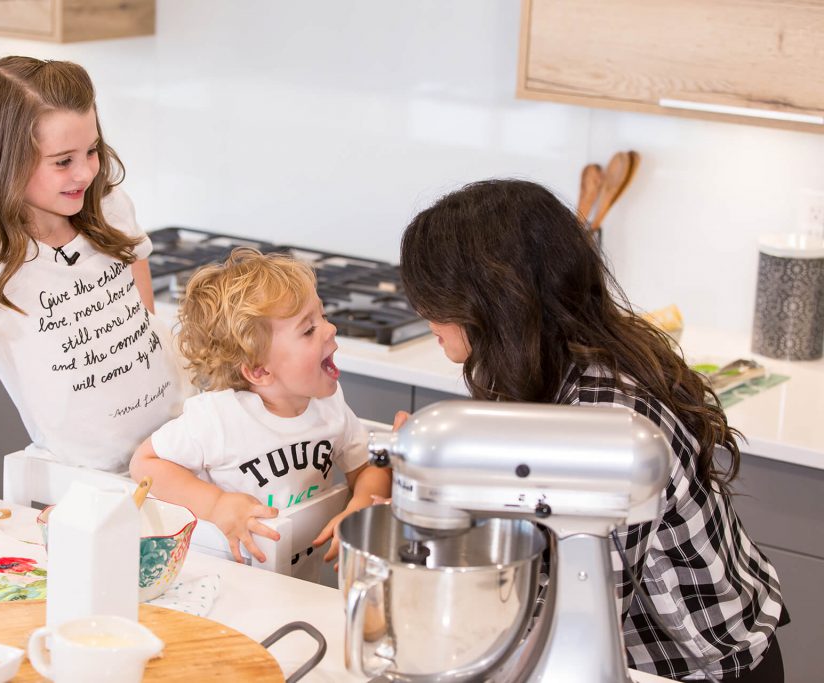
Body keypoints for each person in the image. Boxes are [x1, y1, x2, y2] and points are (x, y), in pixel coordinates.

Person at [397, 179, 785, 681]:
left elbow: (579, 614)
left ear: (494, 302)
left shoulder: (605, 420)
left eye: (435, 295)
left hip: (697, 669)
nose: (422, 311)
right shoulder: (554, 364)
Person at [0, 56, 189, 535]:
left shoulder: (108, 207)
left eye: (92, 150)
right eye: (63, 161)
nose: (85, 172)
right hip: (89, 480)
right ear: (4, 160)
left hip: (178, 444)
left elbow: (145, 318)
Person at [129, 248, 392, 564]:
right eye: (308, 329)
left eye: (322, 316)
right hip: (229, 583)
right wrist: (216, 505)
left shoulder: (329, 404)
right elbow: (145, 463)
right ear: (260, 371)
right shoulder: (219, 417)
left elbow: (368, 466)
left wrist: (360, 506)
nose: (330, 329)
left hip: (295, 583)